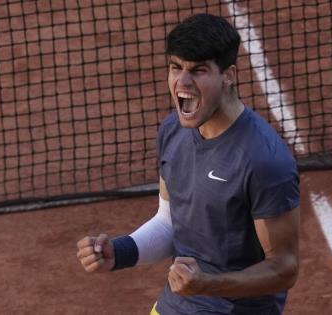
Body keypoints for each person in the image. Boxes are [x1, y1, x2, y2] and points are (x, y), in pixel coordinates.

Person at [76, 13, 300, 315]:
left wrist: (208, 284)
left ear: (229, 75)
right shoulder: (172, 131)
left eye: (198, 70)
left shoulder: (264, 161)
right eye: (175, 67)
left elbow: (284, 269)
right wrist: (119, 252)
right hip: (179, 304)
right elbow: (170, 222)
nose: (182, 82)